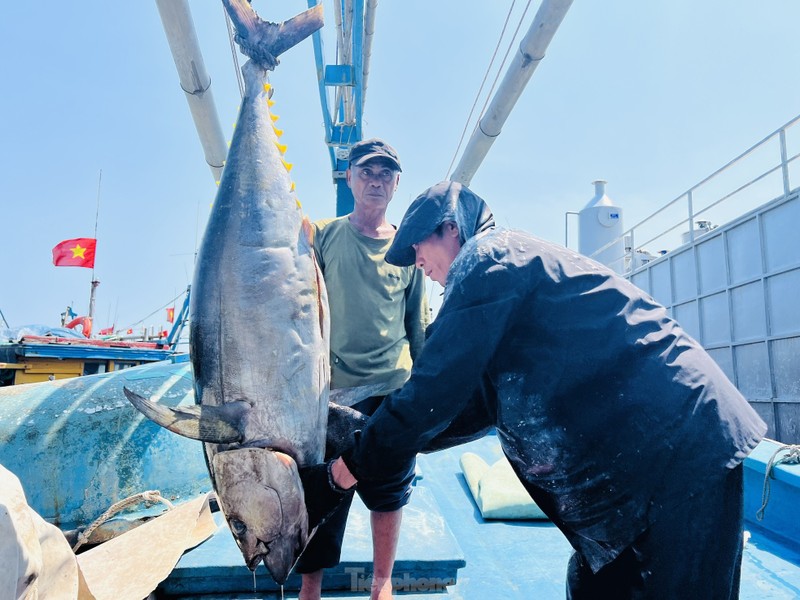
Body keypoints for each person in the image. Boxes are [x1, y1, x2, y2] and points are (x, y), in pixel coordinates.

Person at [319, 180, 767, 598]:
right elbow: (461, 409)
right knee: (593, 584)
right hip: (646, 469)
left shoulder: (488, 257)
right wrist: (358, 428)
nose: (417, 263)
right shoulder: (501, 281)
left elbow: (433, 393)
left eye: (417, 247)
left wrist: (343, 472)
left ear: (451, 229)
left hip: (682, 451)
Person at [296, 139, 429, 600]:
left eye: (385, 173)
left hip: (392, 389)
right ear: (348, 177)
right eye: (366, 171)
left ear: (396, 183)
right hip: (330, 392)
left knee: (390, 492)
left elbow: (416, 325)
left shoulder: (409, 251)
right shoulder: (324, 235)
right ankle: (309, 587)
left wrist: (425, 392)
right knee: (323, 493)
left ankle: (381, 583)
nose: (375, 180)